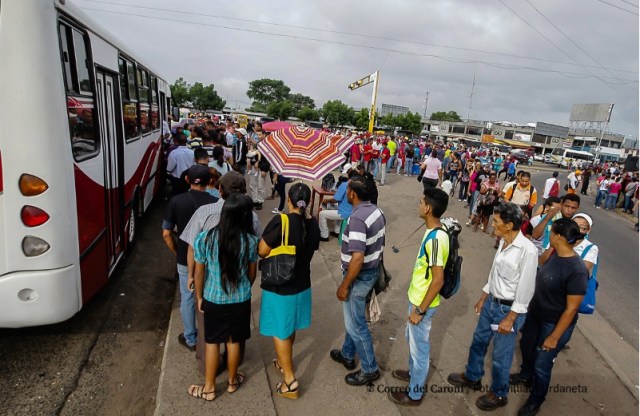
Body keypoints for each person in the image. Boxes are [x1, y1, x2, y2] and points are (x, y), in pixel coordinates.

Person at [448, 203, 537, 412]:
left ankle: (499, 393)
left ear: (510, 224)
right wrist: (484, 296)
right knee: (478, 341)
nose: (493, 224)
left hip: (508, 311)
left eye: (496, 221)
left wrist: (511, 318)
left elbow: (526, 288)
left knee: (501, 356)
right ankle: (472, 376)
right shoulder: (503, 242)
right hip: (491, 304)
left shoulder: (527, 251)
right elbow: (494, 272)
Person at [180, 171, 262, 376]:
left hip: (211, 289)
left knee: (209, 337)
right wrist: (244, 284)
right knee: (235, 339)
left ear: (219, 190)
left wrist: (197, 290)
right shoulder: (251, 217)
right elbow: (253, 263)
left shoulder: (204, 217)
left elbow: (193, 254)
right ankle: (234, 376)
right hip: (239, 291)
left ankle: (209, 376)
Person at [510, 219, 588, 416]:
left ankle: (536, 399)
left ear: (559, 236)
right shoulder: (555, 254)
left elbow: (571, 309)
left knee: (542, 364)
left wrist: (554, 337)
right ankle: (525, 375)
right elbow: (542, 264)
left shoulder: (577, 269)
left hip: (553, 323)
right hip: (535, 314)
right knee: (526, 346)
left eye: (551, 233)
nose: (549, 235)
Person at [189, 193, 259, 401]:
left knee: (212, 342)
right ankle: (232, 381)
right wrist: (245, 287)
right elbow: (252, 273)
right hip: (240, 298)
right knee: (233, 340)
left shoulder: (206, 238)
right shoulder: (251, 241)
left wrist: (200, 296)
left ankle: (209, 388)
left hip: (213, 298)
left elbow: (199, 273)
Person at [387, 188, 449, 406]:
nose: (419, 205)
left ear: (428, 208)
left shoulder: (435, 240)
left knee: (419, 349)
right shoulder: (433, 230)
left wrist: (420, 310)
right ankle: (414, 374)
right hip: (418, 299)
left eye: (421, 202)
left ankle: (414, 393)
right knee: (412, 341)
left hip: (423, 303)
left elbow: (438, 280)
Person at [258, 183, 321, 399]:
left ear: (289, 199)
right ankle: (283, 361)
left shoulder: (282, 221)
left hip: (280, 286)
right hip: (302, 284)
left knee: (279, 330)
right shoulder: (313, 224)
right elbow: (311, 247)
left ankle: (290, 381)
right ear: (308, 202)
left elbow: (262, 250)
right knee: (289, 327)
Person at [330, 176, 385, 386]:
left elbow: (358, 257)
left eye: (348, 190)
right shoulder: (376, 211)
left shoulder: (358, 219)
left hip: (358, 277)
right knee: (353, 318)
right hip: (368, 273)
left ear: (352, 193)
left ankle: (370, 369)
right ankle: (347, 353)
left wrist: (345, 285)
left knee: (356, 325)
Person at [162, 165, 217, 352]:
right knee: (208, 295)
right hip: (210, 257)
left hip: (185, 257)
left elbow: (167, 233)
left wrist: (177, 251)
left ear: (187, 180)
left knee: (187, 298)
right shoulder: (215, 202)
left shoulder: (176, 201)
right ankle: (209, 334)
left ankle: (191, 338)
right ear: (210, 181)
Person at [318, 166, 355, 241]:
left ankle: (324, 235)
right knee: (337, 208)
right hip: (354, 211)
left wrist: (326, 201)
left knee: (322, 214)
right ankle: (337, 231)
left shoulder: (345, 185)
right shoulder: (358, 186)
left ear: (348, 175)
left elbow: (336, 199)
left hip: (344, 213)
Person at [167, 133, 195, 197]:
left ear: (176, 142)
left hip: (177, 180)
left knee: (177, 196)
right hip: (189, 179)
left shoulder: (174, 153)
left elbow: (169, 169)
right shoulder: (192, 152)